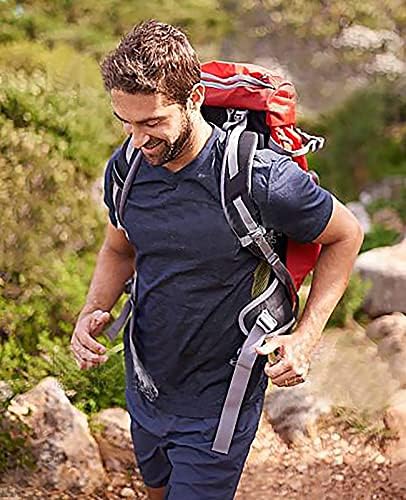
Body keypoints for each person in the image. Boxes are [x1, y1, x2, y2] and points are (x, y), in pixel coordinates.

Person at [70, 19, 363, 500]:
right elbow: (120, 248)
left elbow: (346, 235)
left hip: (220, 400)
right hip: (146, 381)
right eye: (126, 122)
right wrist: (92, 311)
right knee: (157, 490)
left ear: (194, 98)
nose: (138, 139)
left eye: (152, 122)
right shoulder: (127, 168)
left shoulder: (260, 178)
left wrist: (305, 339)